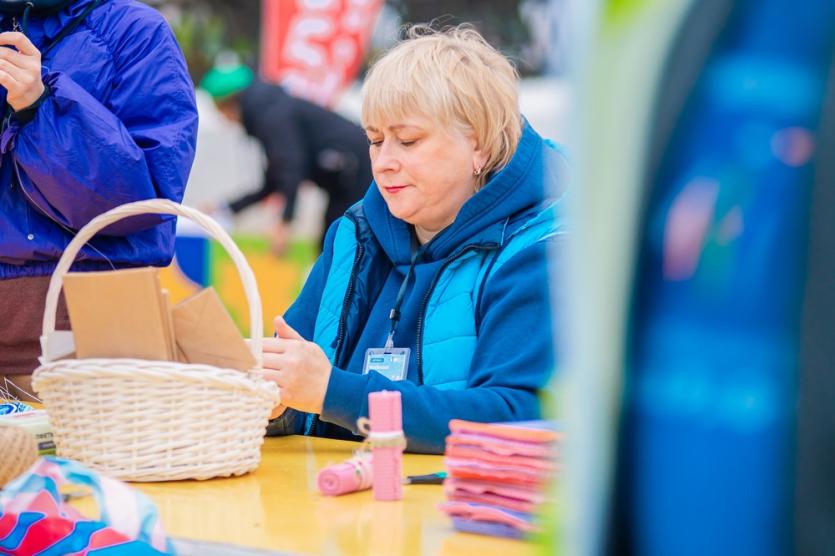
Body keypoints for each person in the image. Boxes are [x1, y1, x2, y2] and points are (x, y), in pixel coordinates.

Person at [256, 25, 567, 454]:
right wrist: (272, 401)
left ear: (478, 145)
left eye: (407, 140)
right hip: (330, 507)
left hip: (453, 516)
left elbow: (515, 417)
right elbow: (297, 389)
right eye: (375, 140)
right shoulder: (352, 235)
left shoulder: (539, 249)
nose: (384, 163)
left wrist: (336, 393)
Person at [0, 0, 199, 396]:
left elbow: (141, 203)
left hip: (90, 334)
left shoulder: (135, 31)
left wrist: (41, 105)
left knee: (86, 455)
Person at [199, 64, 372, 253]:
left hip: (356, 169)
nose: (224, 120)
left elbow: (291, 168)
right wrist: (226, 208)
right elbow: (275, 178)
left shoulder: (272, 115)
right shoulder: (269, 110)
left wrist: (285, 222)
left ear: (228, 104)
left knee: (341, 248)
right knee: (329, 248)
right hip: (344, 176)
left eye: (220, 111)